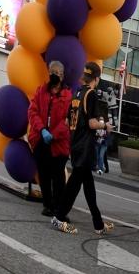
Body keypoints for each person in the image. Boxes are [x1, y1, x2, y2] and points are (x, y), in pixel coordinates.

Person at [51, 62, 114, 235]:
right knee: (74, 184)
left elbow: (67, 121)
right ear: (97, 78)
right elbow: (92, 123)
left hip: (75, 143)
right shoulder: (91, 94)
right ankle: (59, 216)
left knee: (88, 185)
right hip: (86, 145)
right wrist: (105, 125)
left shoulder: (77, 93)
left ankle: (98, 223)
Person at [28, 60, 71, 219]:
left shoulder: (68, 95)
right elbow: (33, 112)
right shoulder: (41, 91)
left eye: (59, 73)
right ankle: (47, 205)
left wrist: (54, 134)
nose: (56, 75)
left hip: (59, 143)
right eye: (53, 72)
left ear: (63, 76)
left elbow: (68, 119)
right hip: (40, 139)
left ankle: (59, 207)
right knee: (43, 174)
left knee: (58, 176)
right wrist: (42, 130)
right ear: (49, 73)